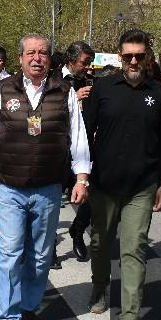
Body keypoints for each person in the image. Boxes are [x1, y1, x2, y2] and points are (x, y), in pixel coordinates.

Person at [0, 34, 91, 320]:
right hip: (9, 185)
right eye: (31, 53)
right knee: (9, 251)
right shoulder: (3, 89)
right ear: (20, 58)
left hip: (48, 187)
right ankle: (7, 319)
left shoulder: (64, 92)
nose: (37, 58)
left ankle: (27, 309)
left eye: (42, 53)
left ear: (50, 59)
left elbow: (78, 138)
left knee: (39, 255)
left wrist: (81, 178)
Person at [83, 30, 161, 320]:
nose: (134, 61)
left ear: (147, 57)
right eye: (128, 56)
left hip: (142, 186)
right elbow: (84, 133)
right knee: (100, 243)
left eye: (139, 55)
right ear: (120, 57)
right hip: (104, 184)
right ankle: (99, 286)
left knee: (134, 248)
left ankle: (130, 318)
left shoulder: (160, 94)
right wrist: (80, 177)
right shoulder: (103, 89)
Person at [59, 40, 95, 264]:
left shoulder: (90, 81)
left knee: (91, 195)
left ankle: (78, 230)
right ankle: (49, 248)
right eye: (85, 62)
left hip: (83, 148)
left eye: (90, 62)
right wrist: (72, 97)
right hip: (58, 148)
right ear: (72, 60)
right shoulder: (53, 78)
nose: (88, 67)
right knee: (52, 200)